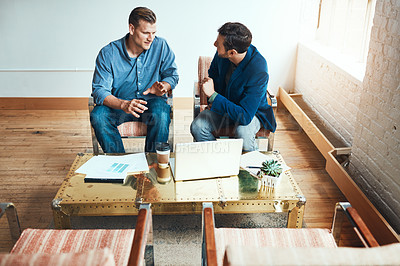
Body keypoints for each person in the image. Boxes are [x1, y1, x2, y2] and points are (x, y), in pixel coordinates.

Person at [90, 7, 178, 153]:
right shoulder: (108, 53)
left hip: (152, 102)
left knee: (162, 114)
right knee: (98, 116)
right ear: (131, 29)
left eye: (154, 33)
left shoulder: (161, 46)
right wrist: (123, 104)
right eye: (145, 33)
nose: (151, 38)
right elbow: (99, 90)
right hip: (119, 103)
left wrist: (164, 86)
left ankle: (152, 164)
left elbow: (172, 75)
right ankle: (120, 162)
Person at [190, 22, 276, 151]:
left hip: (250, 113)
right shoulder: (222, 54)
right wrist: (212, 100)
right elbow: (212, 75)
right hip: (224, 107)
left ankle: (252, 166)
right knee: (198, 126)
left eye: (217, 43)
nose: (214, 44)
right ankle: (219, 161)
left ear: (232, 53)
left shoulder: (258, 70)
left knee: (243, 134)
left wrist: (214, 96)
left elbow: (245, 116)